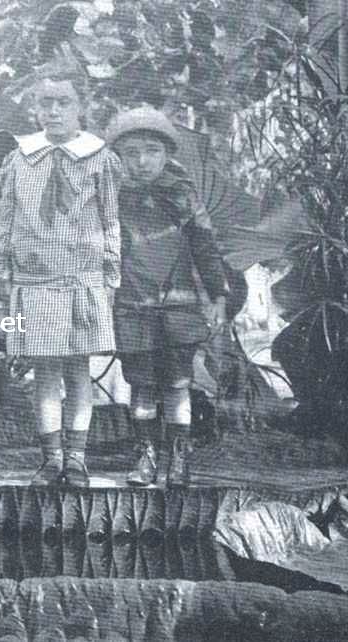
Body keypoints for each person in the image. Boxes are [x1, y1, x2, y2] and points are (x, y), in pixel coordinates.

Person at [0, 67, 123, 487]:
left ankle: (78, 459)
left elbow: (110, 220)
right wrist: (4, 269)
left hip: (81, 278)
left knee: (78, 370)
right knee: (45, 372)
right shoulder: (19, 158)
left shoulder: (100, 159)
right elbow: (7, 219)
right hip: (35, 280)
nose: (53, 111)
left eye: (63, 102)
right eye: (44, 103)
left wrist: (111, 274)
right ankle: (51, 459)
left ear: (81, 106)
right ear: (34, 108)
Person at [104, 106, 230, 488]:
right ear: (120, 157)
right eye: (132, 153)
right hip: (132, 304)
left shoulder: (182, 194)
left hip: (178, 305)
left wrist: (218, 296)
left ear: (166, 153)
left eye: (152, 151)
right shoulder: (111, 196)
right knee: (140, 384)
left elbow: (205, 247)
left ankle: (179, 458)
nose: (142, 161)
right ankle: (145, 456)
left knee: (177, 384)